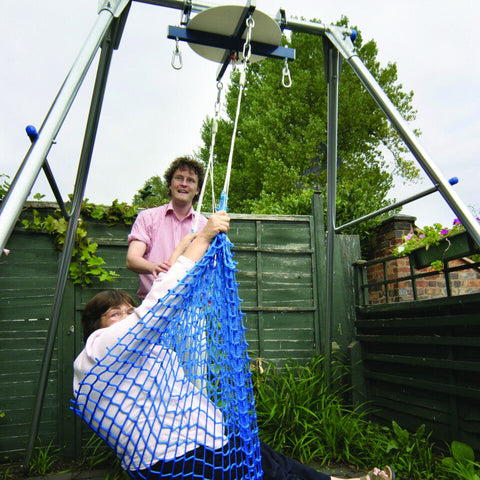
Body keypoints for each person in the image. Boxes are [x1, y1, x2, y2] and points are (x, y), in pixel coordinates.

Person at [74, 211, 394, 480]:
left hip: (205, 438)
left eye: (130, 309)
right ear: (95, 326)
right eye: (114, 313)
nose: (127, 316)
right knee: (270, 471)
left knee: (277, 464)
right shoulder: (98, 348)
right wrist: (202, 240)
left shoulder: (142, 346)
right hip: (173, 457)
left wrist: (184, 247)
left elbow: (158, 304)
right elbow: (157, 308)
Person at [126, 156, 208, 299]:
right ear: (170, 185)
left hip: (189, 306)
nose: (184, 184)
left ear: (197, 190)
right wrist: (153, 267)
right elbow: (132, 259)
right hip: (152, 306)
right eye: (179, 178)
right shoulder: (147, 217)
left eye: (190, 180)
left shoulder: (205, 226)